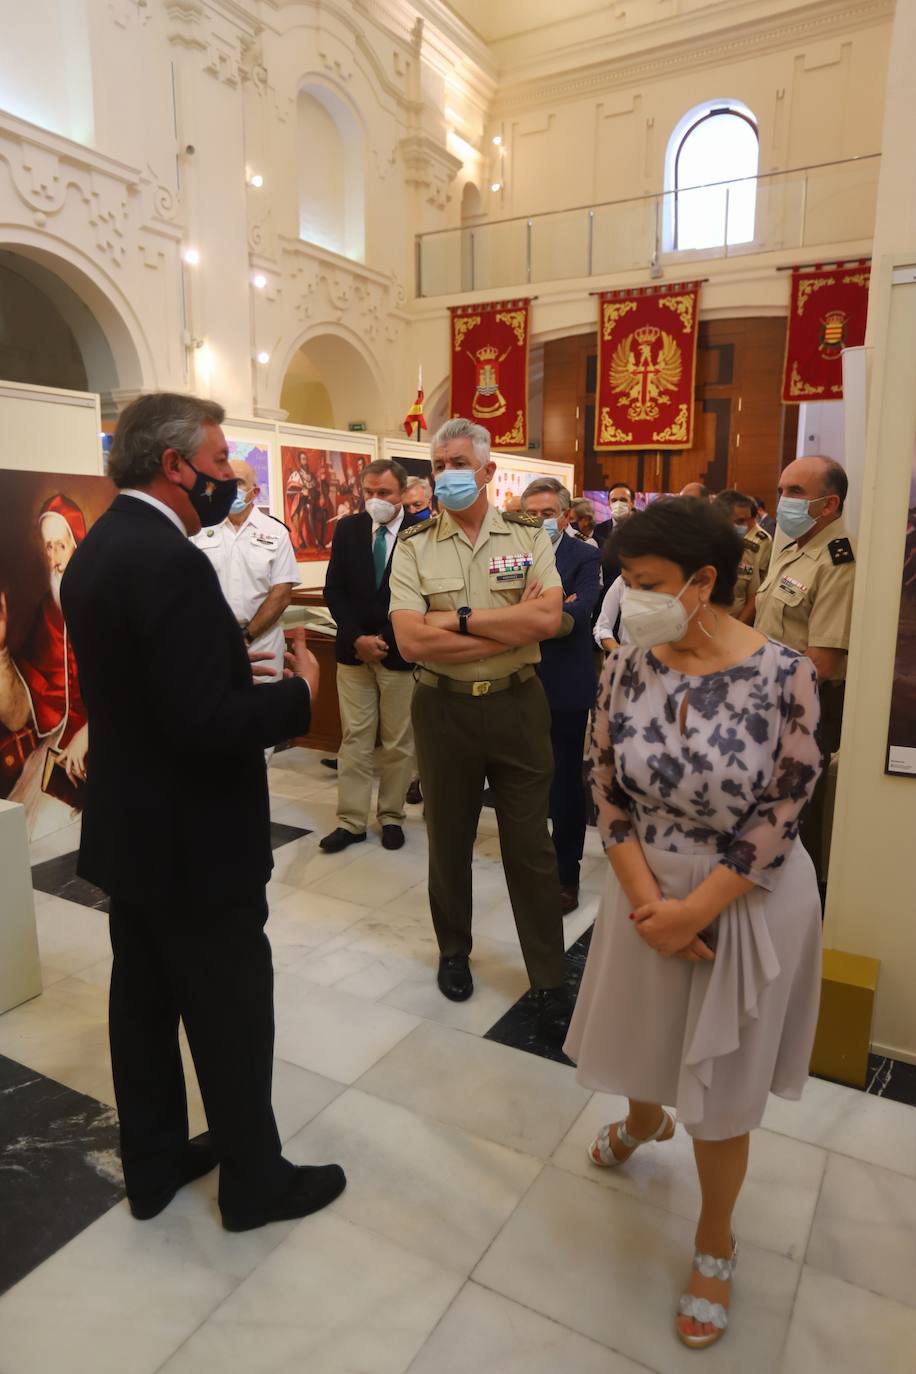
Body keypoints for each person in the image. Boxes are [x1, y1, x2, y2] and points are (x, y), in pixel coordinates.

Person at [60, 391, 345, 1232]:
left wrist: (225, 682)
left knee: (142, 1003)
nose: (232, 477)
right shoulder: (173, 560)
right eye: (222, 462)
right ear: (174, 464)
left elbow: (155, 693)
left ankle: (151, 1164)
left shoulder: (101, 545)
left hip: (132, 828)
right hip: (195, 841)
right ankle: (256, 1184)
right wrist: (298, 695)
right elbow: (202, 726)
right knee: (229, 1011)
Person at [565, 496, 823, 1350]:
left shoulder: (786, 674)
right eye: (627, 584)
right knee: (643, 1037)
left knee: (720, 1089)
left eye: (647, 585)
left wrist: (693, 912)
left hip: (743, 897)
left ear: (703, 582)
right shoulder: (626, 665)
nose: (632, 600)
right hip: (646, 887)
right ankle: (644, 1120)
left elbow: (782, 809)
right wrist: (649, 902)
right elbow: (603, 783)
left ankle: (716, 1242)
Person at [389, 417, 569, 1033]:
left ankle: (548, 976)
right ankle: (453, 952)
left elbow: (547, 621)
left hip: (519, 707)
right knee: (449, 841)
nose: (446, 476)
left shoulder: (527, 534)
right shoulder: (413, 544)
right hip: (442, 711)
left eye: (459, 463)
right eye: (438, 465)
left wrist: (454, 623)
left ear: (489, 472)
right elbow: (411, 642)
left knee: (530, 848)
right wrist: (499, 626)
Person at [754, 455, 856, 882]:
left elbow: (823, 661)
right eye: (781, 490)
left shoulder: (837, 561)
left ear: (828, 504)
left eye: (796, 492)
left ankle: (800, 918)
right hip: (767, 704)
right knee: (763, 821)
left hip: (802, 711)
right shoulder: (793, 550)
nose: (784, 501)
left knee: (793, 825)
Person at [321, 458, 420, 852]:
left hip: (399, 653)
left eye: (385, 493)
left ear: (403, 494)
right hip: (353, 653)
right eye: (370, 493)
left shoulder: (421, 532)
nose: (376, 500)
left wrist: (384, 637)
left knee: (398, 742)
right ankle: (351, 821)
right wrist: (357, 637)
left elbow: (424, 596)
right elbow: (335, 590)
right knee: (355, 740)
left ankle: (392, 815)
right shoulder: (349, 529)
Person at [520, 478, 601, 915]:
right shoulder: (510, 553)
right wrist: (540, 610)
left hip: (565, 684)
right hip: (515, 677)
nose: (538, 520)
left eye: (547, 513)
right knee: (522, 781)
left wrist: (528, 612)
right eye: (530, 512)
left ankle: (566, 874)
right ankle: (531, 863)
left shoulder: (586, 555)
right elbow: (496, 602)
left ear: (566, 516)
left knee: (564, 781)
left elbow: (581, 605)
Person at [191, 459, 299, 762]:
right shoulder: (201, 528)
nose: (230, 489)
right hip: (209, 644)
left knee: (259, 728)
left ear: (255, 490)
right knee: (213, 724)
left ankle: (253, 802)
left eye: (238, 483)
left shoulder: (275, 533)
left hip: (260, 643)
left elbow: (281, 594)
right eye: (224, 481)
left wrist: (245, 636)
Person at [0, 495, 89, 827]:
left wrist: (90, 732)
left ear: (77, 542)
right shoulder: (48, 611)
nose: (54, 560)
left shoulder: (103, 600)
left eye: (60, 547)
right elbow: (27, 699)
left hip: (109, 734)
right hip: (60, 739)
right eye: (48, 548)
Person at [712, 488, 772, 623]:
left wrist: (736, 629)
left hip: (737, 630)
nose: (745, 527)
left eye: (747, 521)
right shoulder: (697, 552)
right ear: (718, 519)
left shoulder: (748, 553)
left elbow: (752, 598)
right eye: (739, 522)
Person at [593, 481, 635, 551]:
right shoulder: (598, 531)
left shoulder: (643, 530)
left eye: (623, 500)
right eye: (614, 500)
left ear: (632, 503)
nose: (618, 504)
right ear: (609, 504)